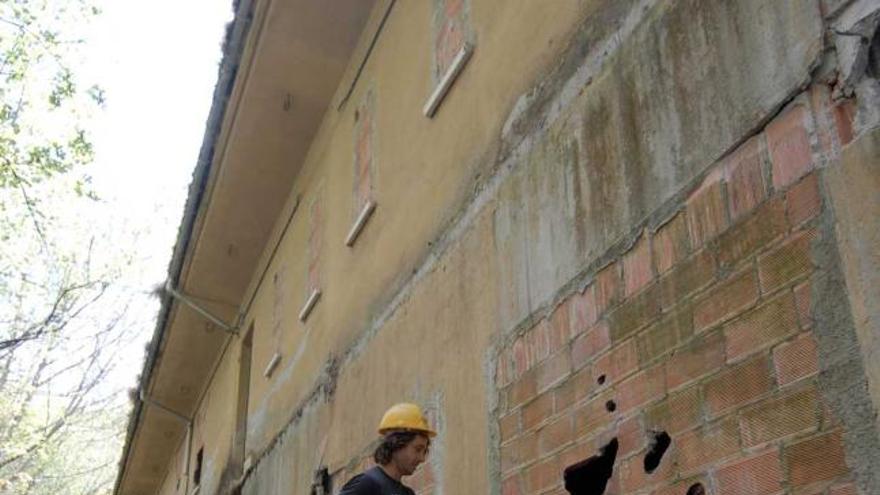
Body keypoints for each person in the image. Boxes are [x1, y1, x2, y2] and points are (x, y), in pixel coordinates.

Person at [338, 403, 436, 495]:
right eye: (418, 449)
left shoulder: (408, 493)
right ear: (396, 444)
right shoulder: (366, 485)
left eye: (424, 452)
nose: (422, 458)